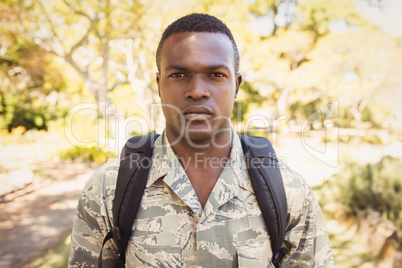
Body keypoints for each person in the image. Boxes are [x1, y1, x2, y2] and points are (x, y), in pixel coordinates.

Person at [69, 13, 335, 267]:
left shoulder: (289, 191)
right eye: (179, 75)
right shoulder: (107, 190)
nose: (197, 91)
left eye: (216, 75)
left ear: (237, 86)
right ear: (159, 84)